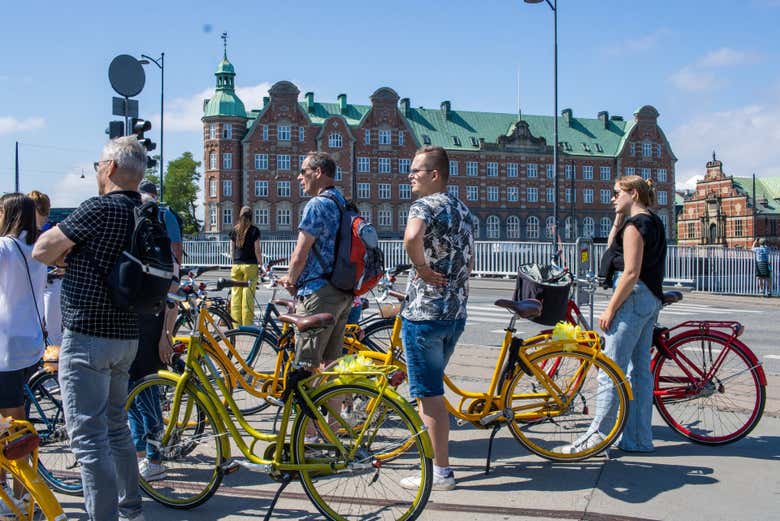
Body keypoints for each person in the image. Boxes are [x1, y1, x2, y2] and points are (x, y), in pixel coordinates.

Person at [32, 136, 147, 521]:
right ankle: (131, 511)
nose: (98, 171)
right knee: (117, 428)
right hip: (126, 335)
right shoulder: (146, 211)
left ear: (110, 168)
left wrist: (68, 255)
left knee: (88, 439)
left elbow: (42, 249)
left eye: (99, 165)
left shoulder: (98, 209)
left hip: (88, 336)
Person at [569, 175, 667, 454]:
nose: (612, 198)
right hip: (649, 298)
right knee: (639, 373)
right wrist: (619, 217)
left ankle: (597, 438)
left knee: (610, 371)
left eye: (616, 193)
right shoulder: (652, 221)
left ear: (633, 193)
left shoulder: (636, 226)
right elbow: (614, 248)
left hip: (631, 299)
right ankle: (638, 439)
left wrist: (611, 307)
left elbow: (631, 272)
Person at [398, 146, 475, 491]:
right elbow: (468, 260)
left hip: (424, 314)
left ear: (434, 175)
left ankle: (440, 472)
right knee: (432, 392)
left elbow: (412, 237)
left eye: (416, 170)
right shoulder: (463, 209)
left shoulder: (424, 206)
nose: (410, 176)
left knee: (429, 396)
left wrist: (421, 268)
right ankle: (434, 463)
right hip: (454, 313)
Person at [127, 179, 181, 482]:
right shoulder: (156, 249)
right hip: (143, 328)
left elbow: (172, 298)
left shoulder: (155, 251)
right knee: (135, 395)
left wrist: (166, 337)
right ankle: (142, 454)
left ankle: (154, 457)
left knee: (144, 395)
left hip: (148, 330)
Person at [279, 152, 353, 371]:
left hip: (319, 293)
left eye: (303, 171)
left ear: (318, 172)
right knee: (331, 364)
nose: (299, 177)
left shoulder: (317, 204)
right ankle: (335, 396)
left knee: (306, 365)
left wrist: (291, 280)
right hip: (342, 290)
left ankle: (305, 395)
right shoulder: (342, 202)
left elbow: (300, 254)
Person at [0, 193, 47, 515]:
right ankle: (21, 492)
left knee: (11, 426)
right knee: (17, 421)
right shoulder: (37, 248)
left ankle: (16, 493)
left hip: (6, 347)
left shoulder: (5, 247)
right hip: (30, 343)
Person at [28, 190, 64, 345]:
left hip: (52, 284)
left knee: (52, 330)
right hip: (36, 285)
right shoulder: (26, 232)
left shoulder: (52, 229)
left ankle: (54, 359)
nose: (44, 214)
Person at [229, 206, 262, 325]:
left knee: (236, 295)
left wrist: (234, 262)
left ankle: (236, 325)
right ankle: (247, 325)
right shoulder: (254, 230)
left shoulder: (234, 230)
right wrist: (261, 263)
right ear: (251, 216)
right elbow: (257, 250)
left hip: (236, 265)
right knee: (248, 296)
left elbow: (231, 250)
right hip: (250, 266)